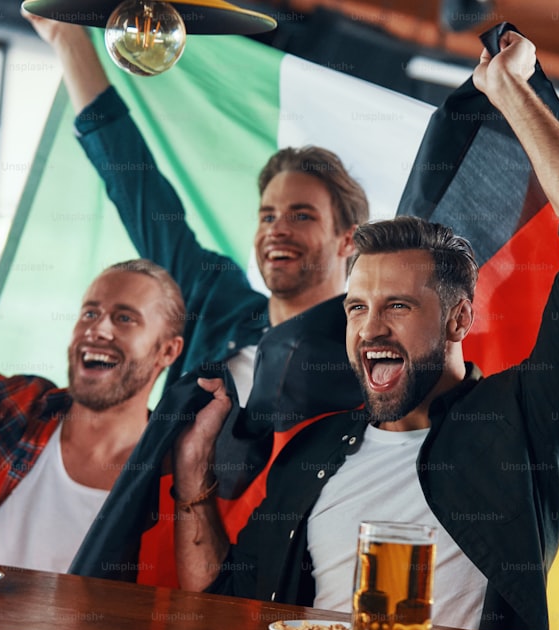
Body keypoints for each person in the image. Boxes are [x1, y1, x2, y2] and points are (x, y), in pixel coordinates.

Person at [167, 31, 559, 630]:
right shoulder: (310, 455)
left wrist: (510, 90)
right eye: (357, 307)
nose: (370, 328)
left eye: (398, 305)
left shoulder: (526, 424)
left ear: (458, 319)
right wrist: (191, 473)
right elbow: (221, 604)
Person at [24, 13, 369, 406]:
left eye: (302, 215)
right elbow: (135, 184)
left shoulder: (361, 359)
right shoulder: (213, 302)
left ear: (348, 240)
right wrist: (63, 35)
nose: (277, 229)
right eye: (268, 215)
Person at [0, 259, 184, 572]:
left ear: (167, 351)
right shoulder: (10, 407)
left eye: (124, 318)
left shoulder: (172, 475)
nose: (98, 329)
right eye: (90, 313)